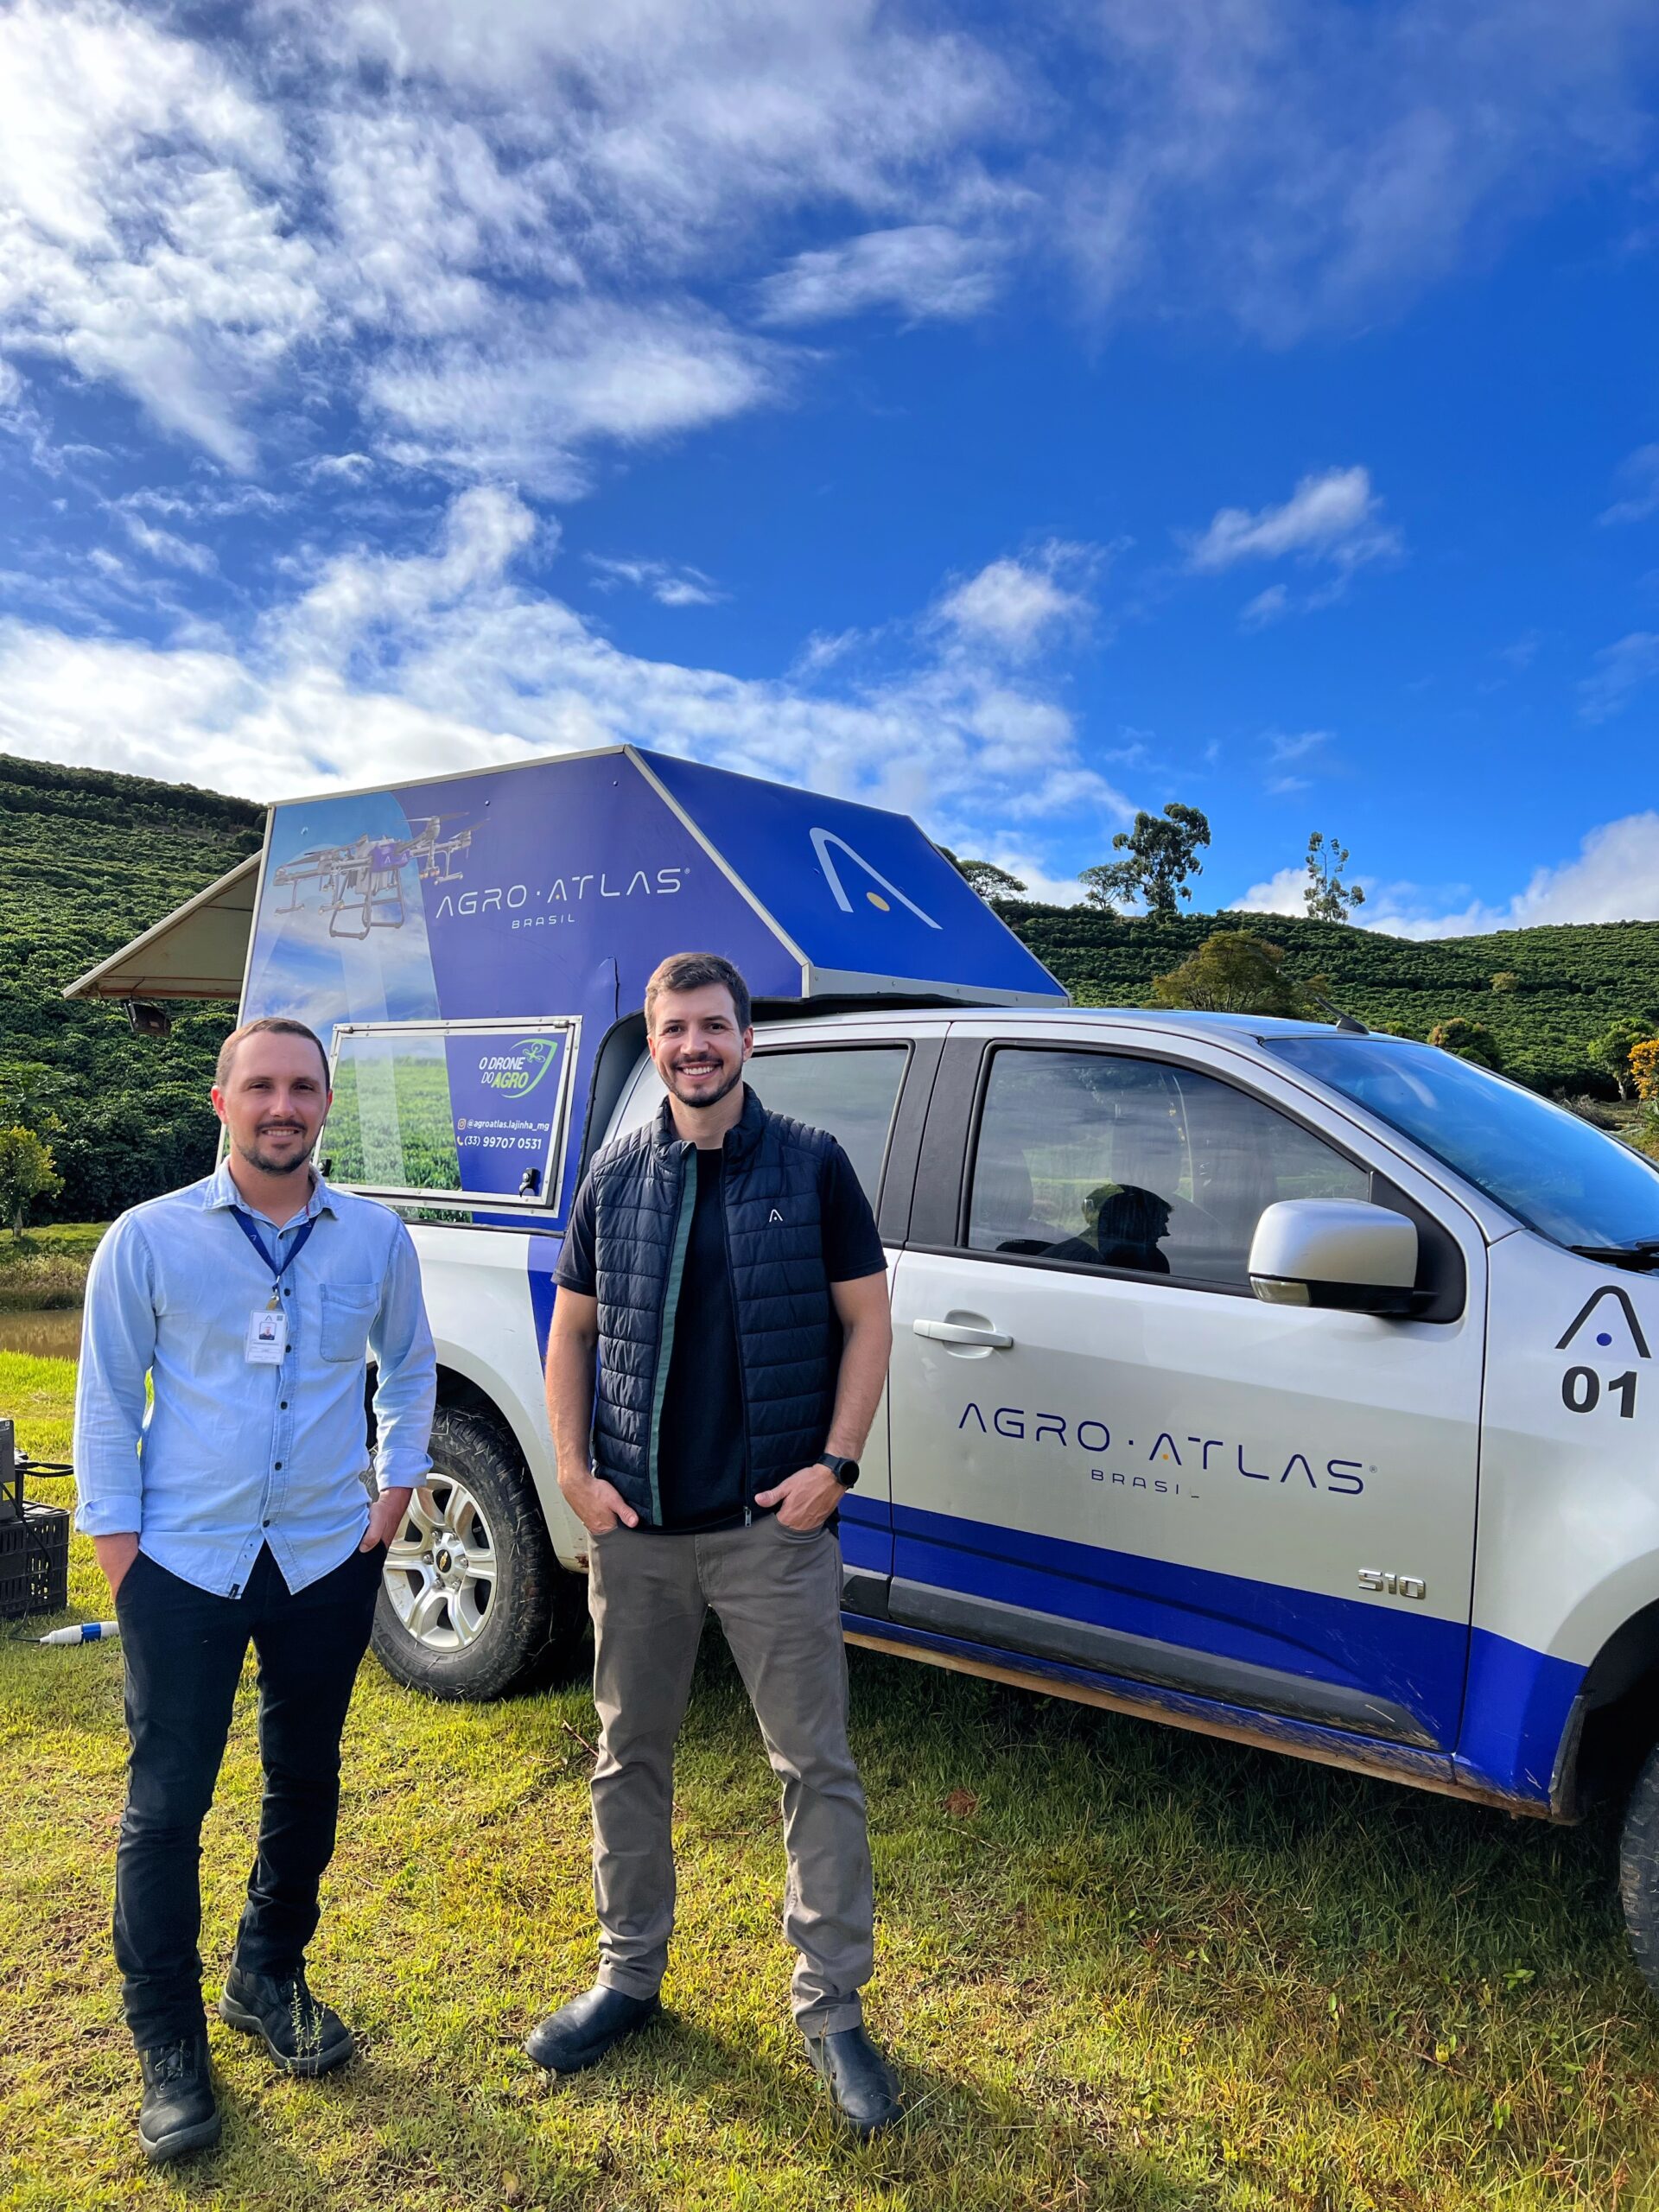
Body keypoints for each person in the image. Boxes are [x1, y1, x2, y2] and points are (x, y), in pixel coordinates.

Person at [530, 951, 900, 2135]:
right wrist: (575, 1472)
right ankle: (627, 1977)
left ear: (748, 1038)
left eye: (714, 1026)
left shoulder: (813, 1164)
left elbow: (869, 1320)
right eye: (674, 1029)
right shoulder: (613, 1176)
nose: (694, 1046)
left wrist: (835, 1466)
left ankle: (831, 2008)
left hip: (770, 1533)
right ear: (655, 1043)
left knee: (814, 1769)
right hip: (639, 1535)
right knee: (627, 1757)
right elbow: (571, 1333)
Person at [73, 1015, 435, 2164]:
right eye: (262, 1086)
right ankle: (169, 2041)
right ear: (221, 1102)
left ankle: (266, 1975)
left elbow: (410, 1365)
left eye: (304, 1088)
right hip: (183, 1561)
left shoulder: (374, 1238)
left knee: (305, 1779)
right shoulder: (148, 1239)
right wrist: (121, 1554)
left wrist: (395, 1490)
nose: (284, 1106)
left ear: (326, 1104)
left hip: (326, 1557)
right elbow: (104, 1396)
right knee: (167, 1804)